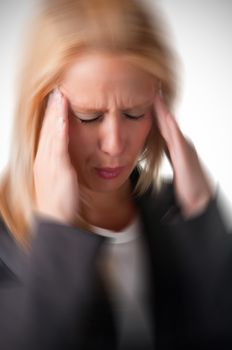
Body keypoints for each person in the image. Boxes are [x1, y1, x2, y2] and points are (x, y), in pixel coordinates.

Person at [0, 0, 231, 349]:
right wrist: (57, 235)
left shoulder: (178, 215)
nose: (114, 144)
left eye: (135, 113)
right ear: (40, 113)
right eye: (88, 116)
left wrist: (200, 212)